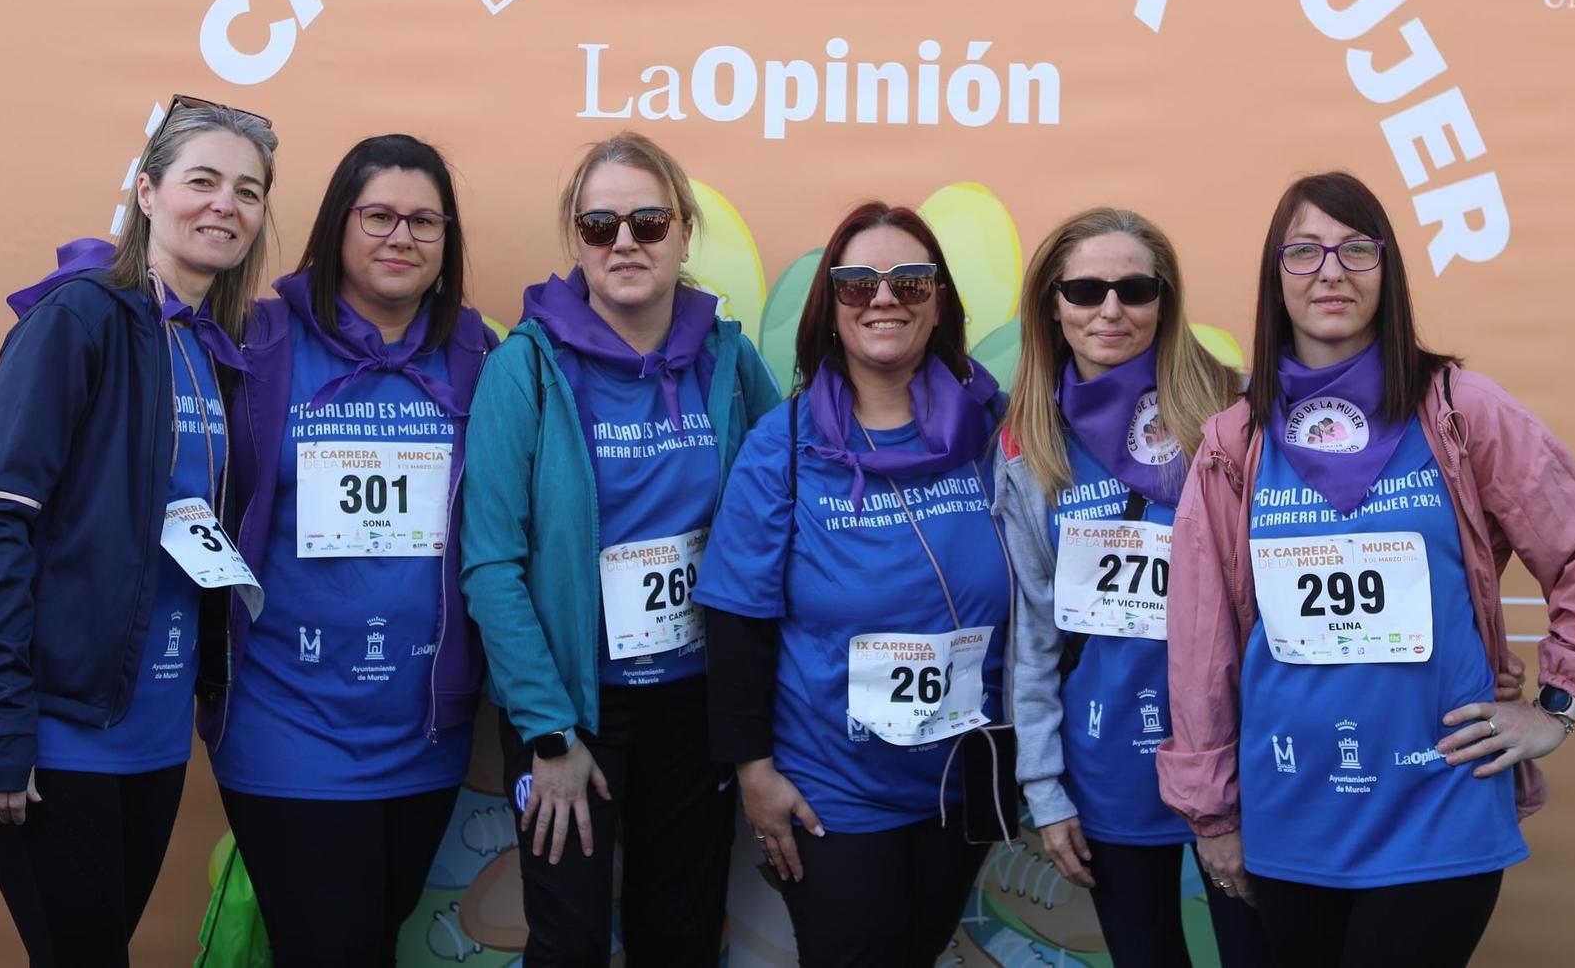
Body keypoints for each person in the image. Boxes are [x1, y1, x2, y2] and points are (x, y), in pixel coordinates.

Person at [1159, 171, 1575, 968]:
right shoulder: (1234, 440)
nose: (1331, 270)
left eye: (1357, 249)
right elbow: (1199, 639)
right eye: (1305, 251)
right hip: (1289, 808)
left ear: (1387, 272)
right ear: (1273, 277)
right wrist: (1211, 812)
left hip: (1438, 804)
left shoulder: (1461, 409)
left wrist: (1559, 707)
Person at [0, 98, 277, 966]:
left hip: (150, 728)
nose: (224, 204)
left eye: (249, 190)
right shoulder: (79, 318)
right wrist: (5, 722)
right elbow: (0, 524)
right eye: (202, 180)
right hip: (53, 722)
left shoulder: (211, 343)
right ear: (147, 193)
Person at [459, 132, 782, 966]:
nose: (626, 242)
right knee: (567, 944)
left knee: (679, 937)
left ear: (683, 232)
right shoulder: (524, 369)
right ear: (576, 239)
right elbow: (492, 563)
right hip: (576, 709)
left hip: (697, 704)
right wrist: (549, 735)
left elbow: (775, 524)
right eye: (601, 225)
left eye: (648, 220)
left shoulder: (730, 360)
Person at [207, 135, 496, 966]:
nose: (401, 236)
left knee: (374, 938)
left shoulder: (481, 357)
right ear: (337, 226)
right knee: (329, 947)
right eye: (378, 216)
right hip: (284, 716)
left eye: (424, 221)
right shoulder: (257, 342)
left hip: (425, 728)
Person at [699, 201, 1010, 968]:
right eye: (856, 282)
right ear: (829, 307)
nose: (883, 298)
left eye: (909, 281)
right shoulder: (787, 444)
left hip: (957, 780)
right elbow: (738, 618)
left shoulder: (991, 427)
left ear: (938, 303)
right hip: (833, 789)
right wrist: (753, 771)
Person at [997, 208, 1270, 967]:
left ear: (1165, 300)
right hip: (1110, 755)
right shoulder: (1029, 444)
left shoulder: (1236, 414)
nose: (1109, 309)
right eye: (1085, 289)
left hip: (1242, 752)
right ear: (1053, 304)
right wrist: (1045, 788)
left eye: (1134, 288)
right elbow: (1034, 639)